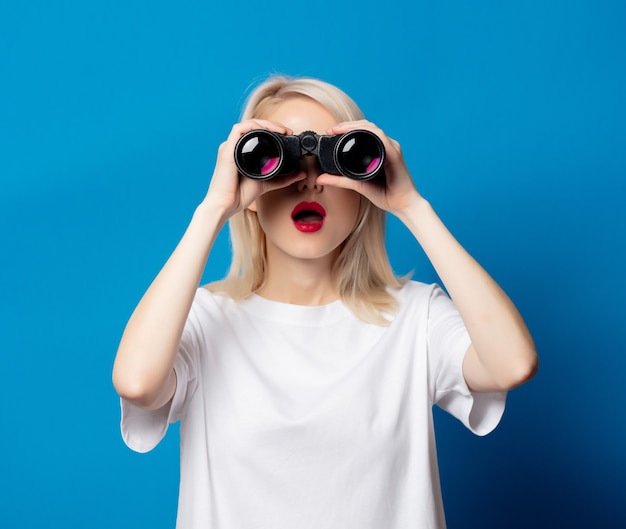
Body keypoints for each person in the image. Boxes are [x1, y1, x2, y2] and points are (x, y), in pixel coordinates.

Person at [112, 75, 538, 529]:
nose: (309, 182)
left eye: (335, 162)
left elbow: (512, 364)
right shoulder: (203, 321)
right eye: (279, 159)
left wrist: (411, 205)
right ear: (250, 183)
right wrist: (215, 206)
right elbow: (137, 383)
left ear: (364, 180)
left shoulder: (416, 319)